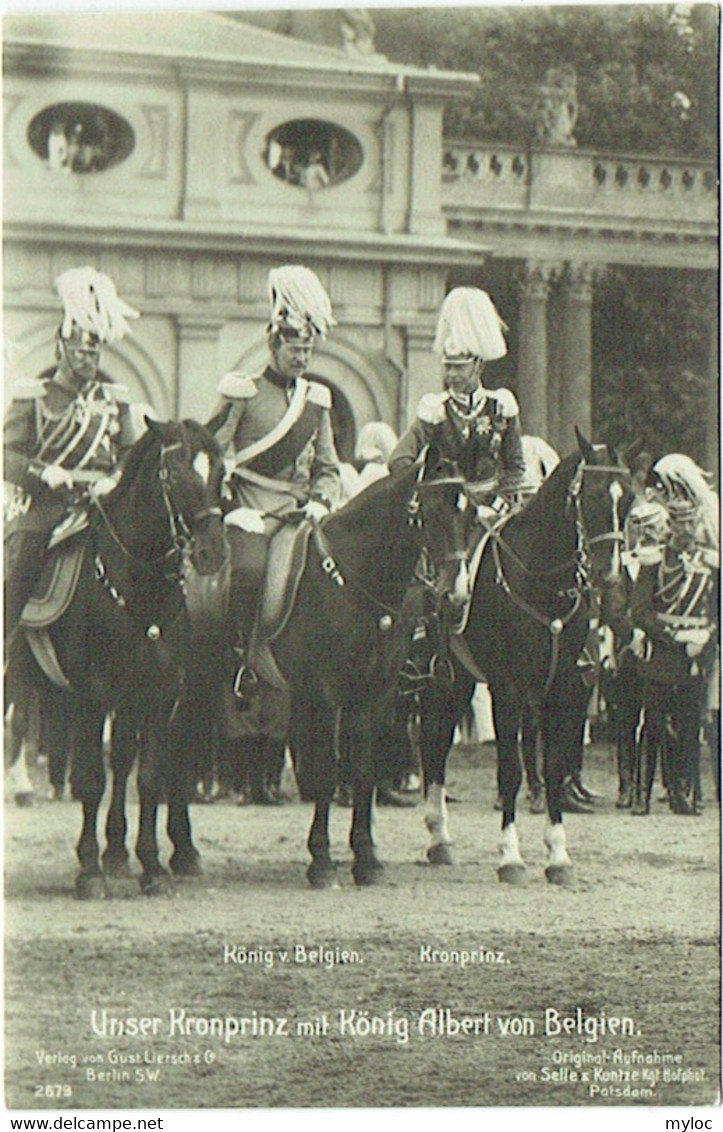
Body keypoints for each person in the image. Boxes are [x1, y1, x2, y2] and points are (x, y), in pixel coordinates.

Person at [206, 264, 341, 700]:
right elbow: (210, 456)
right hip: (253, 516)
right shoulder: (242, 391)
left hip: (301, 518)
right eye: (294, 350)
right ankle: (239, 663)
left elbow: (328, 466)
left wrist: (321, 500)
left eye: (307, 350)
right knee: (247, 574)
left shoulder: (316, 402)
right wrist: (230, 509)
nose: (301, 359)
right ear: (273, 344)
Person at [4, 266, 143, 639]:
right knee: (21, 565)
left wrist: (115, 479)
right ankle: (7, 647)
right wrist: (42, 473)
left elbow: (129, 453)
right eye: (80, 351)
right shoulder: (33, 396)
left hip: (101, 508)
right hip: (44, 508)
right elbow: (7, 456)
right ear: (60, 348)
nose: (88, 358)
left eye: (93, 351)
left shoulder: (113, 400)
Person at [631, 460, 719, 815]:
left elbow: (717, 612)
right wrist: (672, 637)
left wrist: (707, 639)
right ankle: (641, 793)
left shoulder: (712, 563)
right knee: (651, 725)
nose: (684, 529)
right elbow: (641, 610)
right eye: (678, 522)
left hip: (696, 654)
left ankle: (683, 792)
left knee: (689, 726)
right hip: (663, 653)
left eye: (689, 521)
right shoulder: (655, 561)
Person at [389, 286, 526, 513]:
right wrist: (431, 488)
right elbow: (399, 459)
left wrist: (500, 502)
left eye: (459, 368)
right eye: (448, 367)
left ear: (478, 366)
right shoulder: (436, 410)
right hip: (448, 514)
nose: (451, 375)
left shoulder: (500, 406)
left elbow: (515, 465)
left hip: (494, 510)